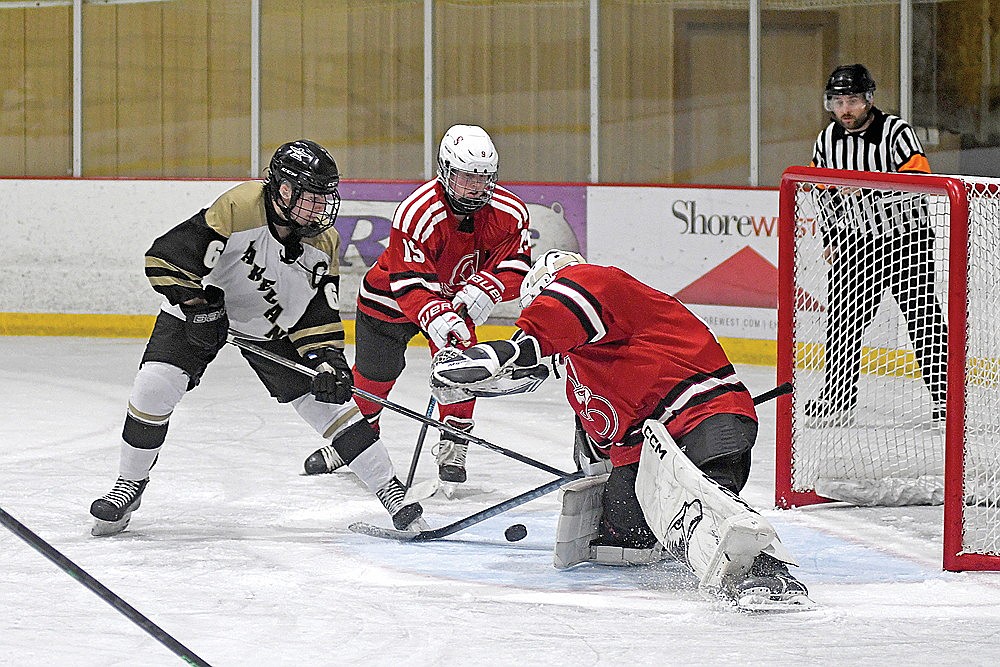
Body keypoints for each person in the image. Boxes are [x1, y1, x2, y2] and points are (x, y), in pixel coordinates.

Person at [429, 250, 811, 607]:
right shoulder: (578, 372)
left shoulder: (597, 283)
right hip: (652, 445)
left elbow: (565, 308)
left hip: (702, 415)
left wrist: (508, 350)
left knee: (699, 501)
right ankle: (682, 537)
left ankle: (766, 571)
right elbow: (603, 442)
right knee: (624, 534)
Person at [89, 139, 423, 536]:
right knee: (154, 386)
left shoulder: (323, 242)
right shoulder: (238, 207)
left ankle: (392, 494)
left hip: (272, 327)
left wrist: (328, 358)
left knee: (332, 406)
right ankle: (129, 484)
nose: (321, 208)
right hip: (201, 312)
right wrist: (197, 306)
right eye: (312, 197)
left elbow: (317, 311)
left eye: (324, 198)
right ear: (284, 189)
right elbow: (165, 257)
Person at [303, 124, 531, 489]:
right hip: (391, 300)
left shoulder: (510, 213)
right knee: (373, 377)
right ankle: (358, 443)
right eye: (466, 177)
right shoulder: (417, 212)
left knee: (461, 372)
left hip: (457, 301)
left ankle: (455, 441)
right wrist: (435, 312)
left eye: (483, 178)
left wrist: (487, 287)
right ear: (445, 171)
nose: (476, 187)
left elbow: (517, 266)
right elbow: (407, 281)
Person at [806, 63, 947, 423]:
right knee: (842, 323)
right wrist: (832, 238)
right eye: (837, 102)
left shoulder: (896, 131)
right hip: (855, 243)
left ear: (868, 99)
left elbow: (918, 180)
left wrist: (869, 186)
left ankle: (946, 397)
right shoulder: (826, 140)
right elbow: (824, 195)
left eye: (852, 100)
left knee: (923, 320)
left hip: (906, 240)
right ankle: (837, 399)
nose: (845, 110)